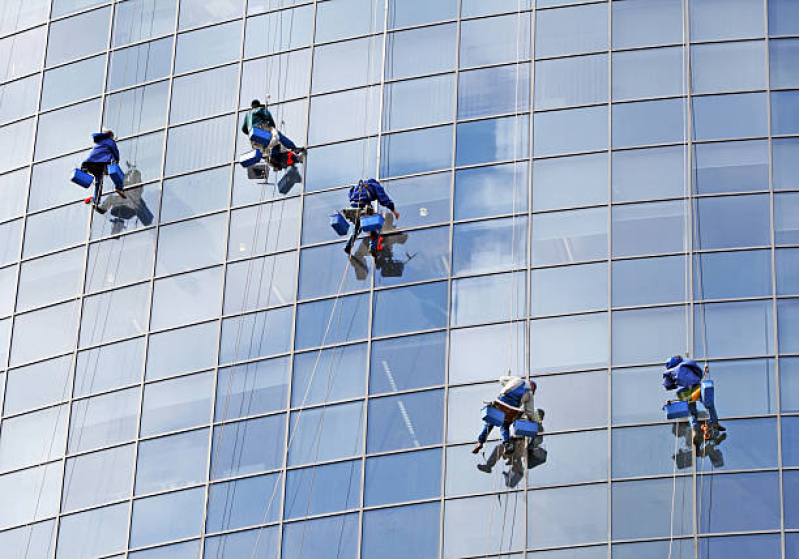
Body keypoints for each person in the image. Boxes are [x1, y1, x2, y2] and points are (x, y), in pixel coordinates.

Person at [663, 355, 724, 445]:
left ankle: (695, 429)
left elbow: (667, 385)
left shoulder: (669, 372)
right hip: (696, 388)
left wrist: (676, 383)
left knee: (692, 412)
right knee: (710, 405)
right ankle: (714, 422)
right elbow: (698, 371)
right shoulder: (686, 363)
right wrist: (700, 376)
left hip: (684, 392)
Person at [473, 375, 536, 458]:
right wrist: (533, 421)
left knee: (490, 423)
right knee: (505, 426)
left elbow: (502, 379)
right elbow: (530, 411)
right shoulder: (529, 393)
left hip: (501, 403)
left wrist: (508, 384)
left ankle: (480, 442)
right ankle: (506, 444)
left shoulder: (517, 379)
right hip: (512, 410)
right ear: (532, 387)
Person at [241, 99, 304, 171]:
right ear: (258, 105)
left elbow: (243, 129)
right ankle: (294, 148)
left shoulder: (247, 114)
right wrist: (272, 125)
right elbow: (268, 116)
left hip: (254, 137)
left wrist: (250, 132)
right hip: (262, 128)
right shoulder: (261, 109)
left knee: (268, 147)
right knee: (278, 135)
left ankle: (276, 163)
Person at [342, 178, 400, 255]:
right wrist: (393, 210)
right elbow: (383, 199)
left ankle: (348, 246)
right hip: (363, 208)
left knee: (357, 228)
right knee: (376, 226)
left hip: (352, 210)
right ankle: (373, 248)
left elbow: (350, 195)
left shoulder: (357, 186)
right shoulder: (374, 185)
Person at [81, 129, 125, 213]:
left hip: (89, 163)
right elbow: (115, 152)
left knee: (98, 181)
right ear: (111, 136)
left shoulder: (98, 142)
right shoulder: (110, 141)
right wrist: (116, 160)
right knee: (115, 174)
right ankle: (119, 188)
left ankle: (95, 201)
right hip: (101, 163)